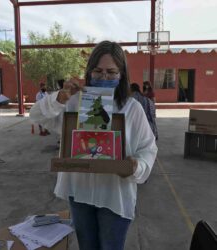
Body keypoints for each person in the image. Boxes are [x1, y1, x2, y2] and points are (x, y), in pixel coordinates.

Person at [30, 40, 157, 250]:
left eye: (111, 72)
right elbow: (36, 116)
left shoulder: (132, 108)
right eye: (98, 71)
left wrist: (137, 166)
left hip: (115, 196)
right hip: (80, 193)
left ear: (122, 74)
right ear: (89, 72)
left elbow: (148, 148)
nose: (104, 77)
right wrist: (59, 98)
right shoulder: (75, 101)